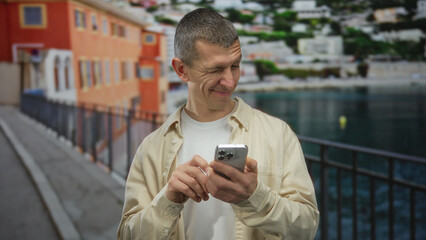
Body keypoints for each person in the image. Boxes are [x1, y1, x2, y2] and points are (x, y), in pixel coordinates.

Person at [118, 8, 319, 240]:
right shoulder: (151, 148)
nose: (230, 81)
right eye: (215, 69)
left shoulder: (279, 134)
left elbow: (307, 227)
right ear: (182, 70)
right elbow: (127, 236)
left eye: (235, 65)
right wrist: (168, 200)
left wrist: (253, 196)